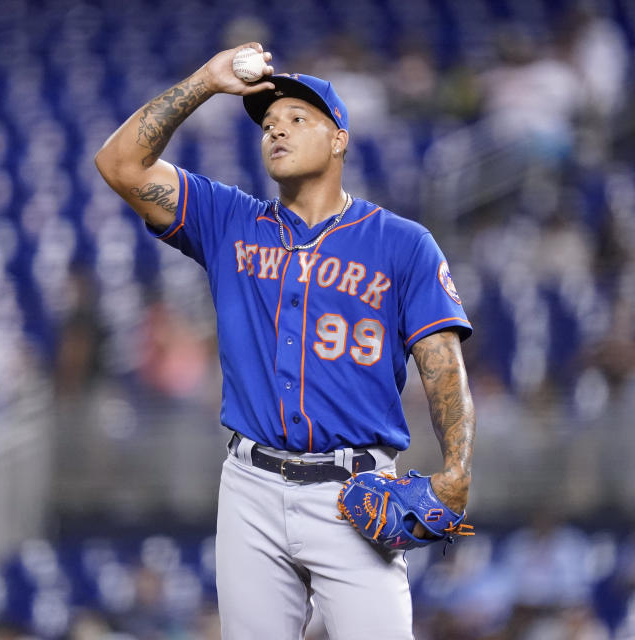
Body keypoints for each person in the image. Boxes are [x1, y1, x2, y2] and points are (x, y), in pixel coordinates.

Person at [94, 42, 476, 639]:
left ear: (339, 139)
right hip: (250, 488)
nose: (277, 130)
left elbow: (442, 364)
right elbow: (120, 164)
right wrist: (205, 81)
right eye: (269, 123)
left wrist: (457, 470)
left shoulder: (402, 244)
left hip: (357, 493)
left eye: (298, 119)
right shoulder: (229, 222)